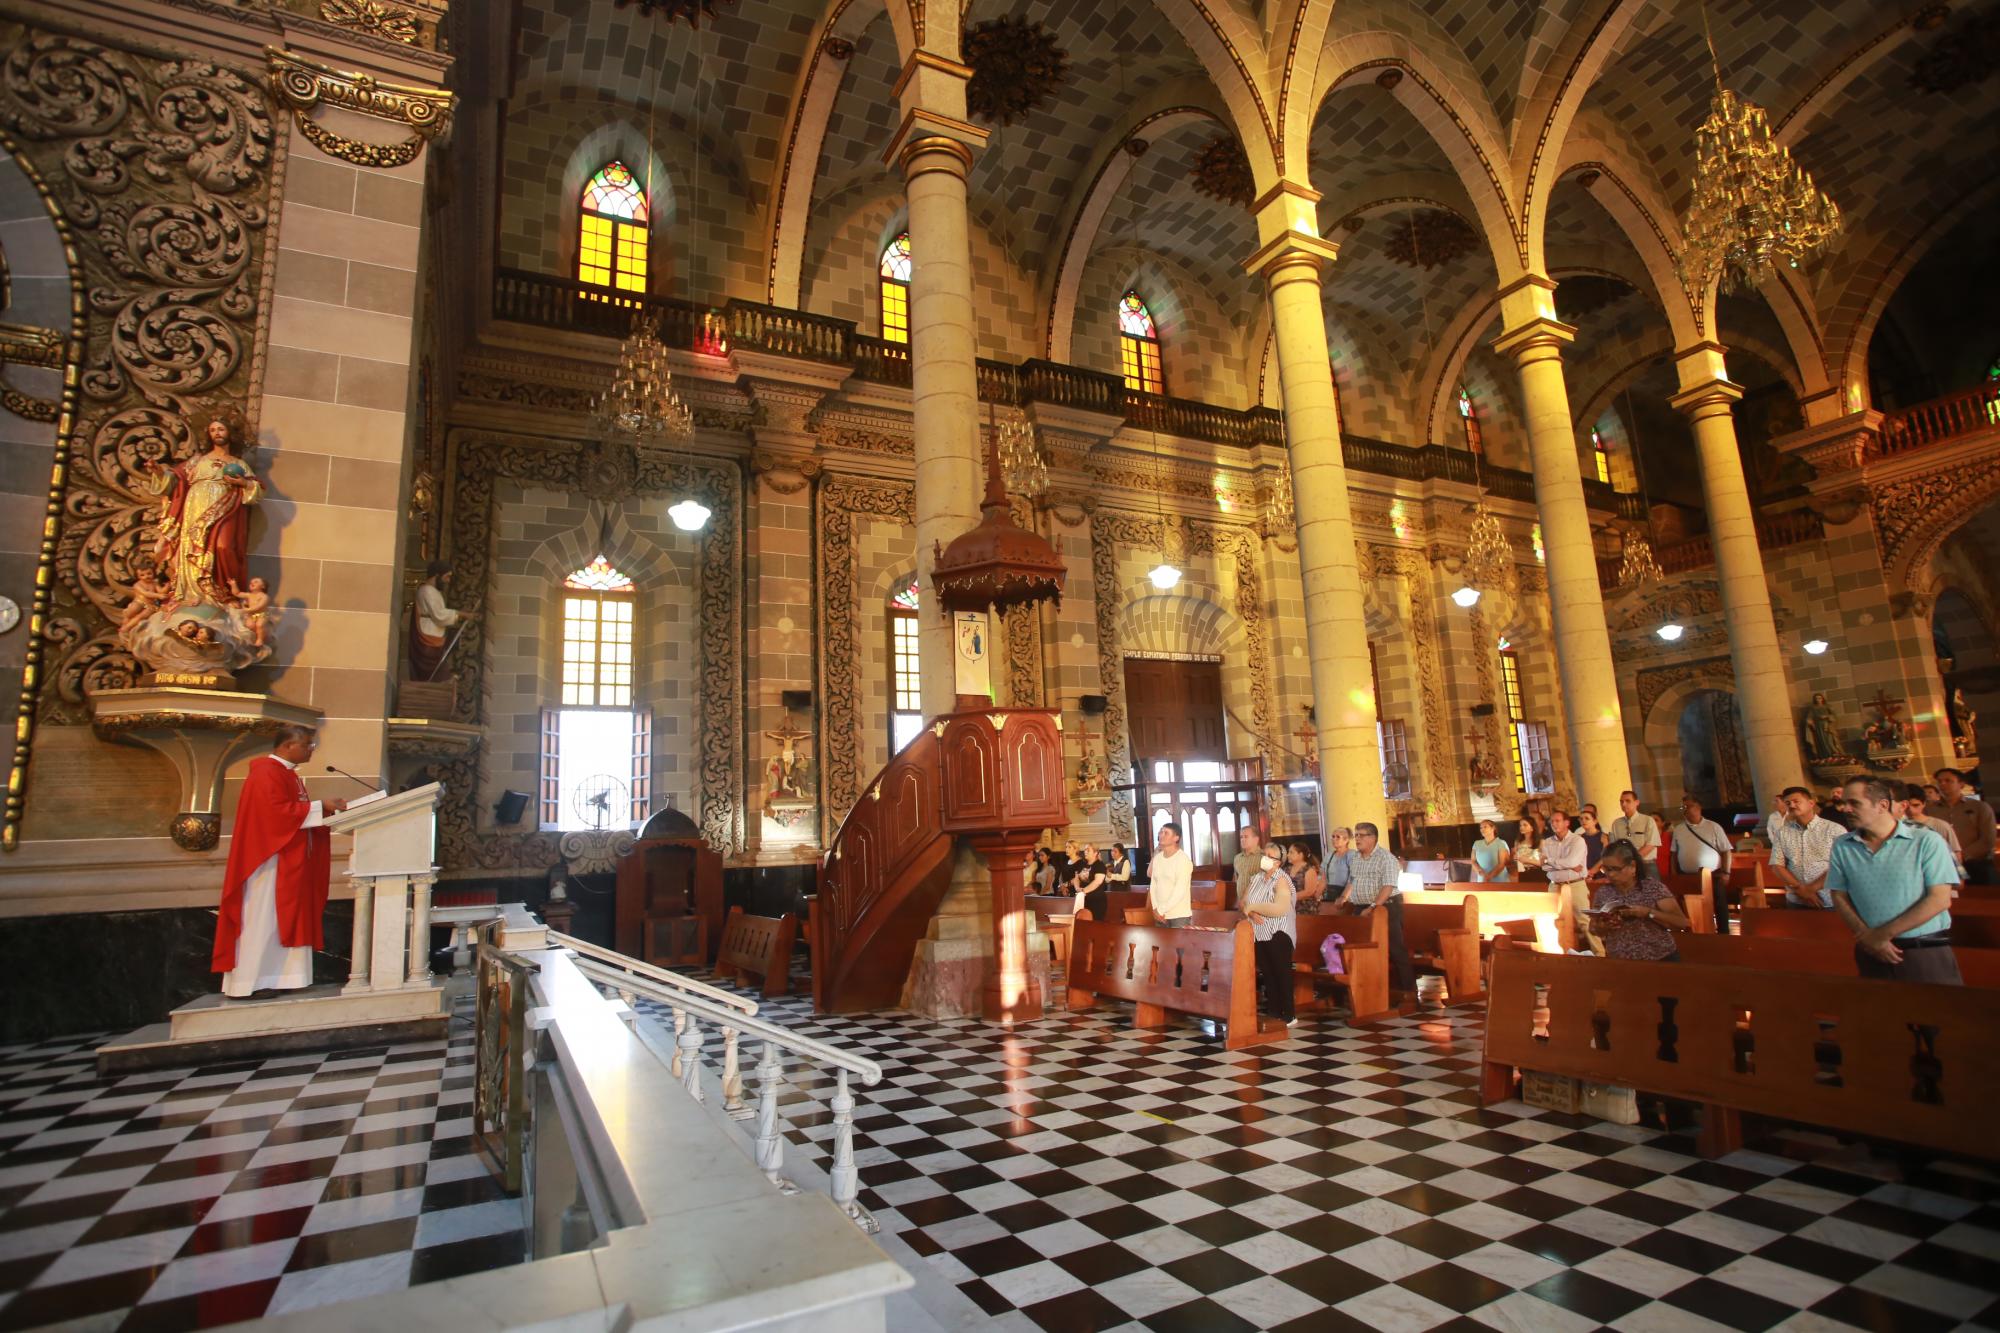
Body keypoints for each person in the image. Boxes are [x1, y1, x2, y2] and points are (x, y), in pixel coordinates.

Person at [212, 726, 348, 998]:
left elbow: (291, 814)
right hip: (268, 862)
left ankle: (278, 977)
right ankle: (252, 982)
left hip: (286, 858)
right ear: (287, 745)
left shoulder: (286, 773)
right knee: (264, 920)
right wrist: (321, 806)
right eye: (307, 745)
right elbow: (275, 815)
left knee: (281, 921)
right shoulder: (266, 772)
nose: (311, 750)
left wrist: (323, 813)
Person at [1829, 776, 1961, 983]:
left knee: (1937, 1014)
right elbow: (1838, 894)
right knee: (1881, 1014)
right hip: (1869, 950)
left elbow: (1939, 899)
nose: (1845, 809)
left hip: (1922, 949)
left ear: (1882, 805)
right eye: (1843, 803)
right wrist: (1867, 936)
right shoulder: (1842, 845)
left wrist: (1882, 935)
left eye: (1854, 803)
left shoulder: (1926, 840)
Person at [148, 410, 258, 610]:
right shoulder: (198, 460)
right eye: (213, 430)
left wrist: (242, 482)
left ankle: (222, 593)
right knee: (191, 545)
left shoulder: (238, 463)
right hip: (196, 505)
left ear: (229, 433)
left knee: (224, 547)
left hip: (225, 507)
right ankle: (192, 591)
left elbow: (255, 488)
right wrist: (158, 472)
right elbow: (176, 479)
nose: (217, 433)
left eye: (221, 429)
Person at [1333, 822, 1412, 992]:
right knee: (1358, 947)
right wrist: (1343, 897)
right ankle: (1365, 990)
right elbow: (1352, 881)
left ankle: (1409, 992)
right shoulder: (1355, 858)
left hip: (1386, 907)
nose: (1357, 839)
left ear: (1373, 838)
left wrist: (1374, 907)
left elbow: (1388, 886)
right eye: (1356, 835)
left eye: (1361, 835)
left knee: (1395, 947)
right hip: (1360, 908)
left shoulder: (1386, 858)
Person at [1589, 841, 1693, 962]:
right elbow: (1593, 928)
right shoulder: (1603, 892)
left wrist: (1648, 913)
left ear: (1632, 866)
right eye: (1606, 869)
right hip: (1620, 961)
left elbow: (1681, 922)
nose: (1610, 874)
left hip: (1659, 958)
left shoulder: (1651, 887)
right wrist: (1603, 926)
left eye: (1616, 869)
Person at [1240, 846, 1296, 1027]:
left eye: (1269, 856)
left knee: (1281, 973)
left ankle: (1289, 1014)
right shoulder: (1256, 878)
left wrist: (1252, 909)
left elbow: (1280, 907)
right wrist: (1249, 912)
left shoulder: (1281, 879)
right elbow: (1244, 902)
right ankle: (1274, 1010)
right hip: (1258, 932)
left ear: (1278, 862)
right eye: (1264, 854)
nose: (1264, 858)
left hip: (1278, 932)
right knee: (1268, 973)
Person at [1768, 785, 1844, 908]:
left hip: (1829, 898)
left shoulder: (1834, 829)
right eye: (1788, 803)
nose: (1791, 805)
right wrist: (1800, 889)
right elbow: (1777, 865)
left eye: (1796, 801)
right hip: (1797, 899)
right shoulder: (1783, 832)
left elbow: (1841, 865)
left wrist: (1810, 889)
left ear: (1811, 803)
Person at [411, 559, 477, 681]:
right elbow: (438, 615)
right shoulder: (427, 590)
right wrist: (461, 614)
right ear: (437, 575)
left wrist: (458, 617)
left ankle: (443, 679)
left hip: (435, 632)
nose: (448, 581)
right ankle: (442, 680)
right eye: (447, 577)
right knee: (431, 664)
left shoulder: (433, 591)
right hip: (428, 634)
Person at [1929, 767, 1996, 886]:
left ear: (1961, 784)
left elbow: (1988, 839)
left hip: (1976, 863)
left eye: (1948, 781)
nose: (1942, 784)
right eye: (1939, 781)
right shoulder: (1930, 810)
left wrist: (1960, 856)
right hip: (1944, 865)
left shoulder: (1979, 807)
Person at [1542, 809, 1596, 955]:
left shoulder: (1577, 840)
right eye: (1552, 821)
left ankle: (1600, 954)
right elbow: (1543, 865)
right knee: (1556, 922)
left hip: (1575, 884)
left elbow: (1572, 861)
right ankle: (1563, 953)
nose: (1554, 824)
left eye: (1557, 820)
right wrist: (1564, 864)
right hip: (1555, 885)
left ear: (1567, 823)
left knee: (1585, 922)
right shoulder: (1547, 842)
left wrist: (1551, 861)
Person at [1903, 783, 1965, 883]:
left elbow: (1955, 853)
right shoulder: (1898, 825)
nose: (1910, 810)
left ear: (1923, 804)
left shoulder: (1940, 825)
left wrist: (1958, 876)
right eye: (1906, 806)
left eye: (1915, 805)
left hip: (1938, 874)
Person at [1670, 795, 1733, 878]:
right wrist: (1674, 873)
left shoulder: (1713, 827)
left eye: (1688, 806)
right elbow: (1674, 854)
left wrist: (1726, 873)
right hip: (1686, 876)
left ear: (1699, 807)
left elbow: (1726, 851)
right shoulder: (1678, 829)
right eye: (1683, 807)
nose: (1685, 809)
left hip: (1713, 875)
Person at [1148, 821, 1193, 927]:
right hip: (1159, 913)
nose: (1161, 835)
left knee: (1178, 944)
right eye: (1160, 832)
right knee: (1160, 943)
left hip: (1178, 915)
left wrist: (1161, 910)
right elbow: (1153, 884)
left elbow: (1179, 891)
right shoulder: (1158, 858)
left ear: (1176, 838)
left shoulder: (1183, 860)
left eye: (1166, 833)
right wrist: (1155, 908)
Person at [1608, 790, 1662, 866]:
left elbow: (1651, 844)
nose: (1624, 804)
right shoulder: (1616, 823)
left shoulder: (1647, 820)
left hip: (1645, 864)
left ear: (1637, 802)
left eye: (1628, 801)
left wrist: (1633, 860)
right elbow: (1614, 846)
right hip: (1625, 866)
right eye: (1621, 801)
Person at [1286, 843, 1325, 910]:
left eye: (1291, 852)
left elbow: (1309, 892)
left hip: (1305, 908)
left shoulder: (1309, 870)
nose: (1288, 855)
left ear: (1300, 855)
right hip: (1289, 908)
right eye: (1288, 852)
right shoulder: (1286, 869)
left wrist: (1289, 897)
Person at [1232, 826, 1265, 895]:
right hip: (1241, 902)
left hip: (1259, 901)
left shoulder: (1264, 857)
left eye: (1246, 837)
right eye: (1241, 837)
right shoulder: (1237, 858)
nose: (1243, 840)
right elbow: (1236, 879)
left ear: (1256, 839)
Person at [1323, 827, 1354, 899]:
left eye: (1338, 837)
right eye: (1333, 836)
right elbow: (1323, 879)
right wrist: (1317, 895)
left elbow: (1353, 878)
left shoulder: (1352, 855)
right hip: (1331, 894)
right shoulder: (1329, 855)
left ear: (1346, 840)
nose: (1334, 839)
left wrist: (1343, 897)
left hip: (1347, 895)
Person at [1512, 811, 1545, 877]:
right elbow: (1515, 860)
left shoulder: (1541, 842)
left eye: (1525, 825)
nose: (1521, 827)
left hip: (1537, 873)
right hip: (1521, 873)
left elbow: (1545, 863)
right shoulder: (1517, 842)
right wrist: (1514, 858)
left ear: (1532, 827)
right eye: (1520, 825)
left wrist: (1527, 860)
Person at [1578, 805, 1607, 870]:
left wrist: (1593, 870)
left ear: (1595, 821)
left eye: (1587, 818)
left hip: (1601, 872)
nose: (1583, 821)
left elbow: (1605, 857)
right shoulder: (1579, 838)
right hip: (1585, 873)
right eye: (1581, 819)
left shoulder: (1603, 837)